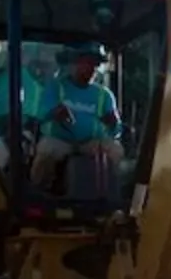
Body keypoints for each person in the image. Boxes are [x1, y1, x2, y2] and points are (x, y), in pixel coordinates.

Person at [29, 43, 124, 185]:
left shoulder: (104, 95)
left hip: (91, 143)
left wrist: (114, 123)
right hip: (60, 141)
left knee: (115, 150)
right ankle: (38, 193)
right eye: (86, 63)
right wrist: (55, 113)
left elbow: (116, 130)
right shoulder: (55, 87)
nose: (91, 68)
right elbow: (40, 116)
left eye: (95, 64)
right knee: (46, 149)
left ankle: (113, 194)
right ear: (73, 63)